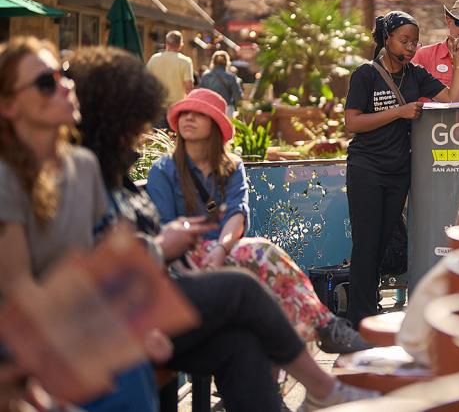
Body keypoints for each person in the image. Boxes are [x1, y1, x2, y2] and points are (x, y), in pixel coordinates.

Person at [67, 46, 378, 411]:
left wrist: (214, 247)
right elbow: (102, 258)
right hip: (133, 305)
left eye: (197, 116)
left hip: (170, 281)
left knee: (242, 338)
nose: (180, 123)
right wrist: (165, 250)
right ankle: (324, 374)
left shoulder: (212, 166)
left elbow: (236, 212)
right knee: (245, 281)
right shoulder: (141, 170)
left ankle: (317, 374)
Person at [0, 37, 162, 411]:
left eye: (64, 75)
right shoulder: (6, 175)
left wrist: (139, 322)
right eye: (46, 82)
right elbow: (18, 289)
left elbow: (101, 260)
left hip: (67, 320)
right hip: (17, 328)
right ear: (8, 106)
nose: (65, 87)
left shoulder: (83, 165)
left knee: (134, 363)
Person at [145, 88, 368, 353]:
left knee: (271, 290)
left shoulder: (231, 167)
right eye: (184, 113)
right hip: (182, 260)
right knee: (262, 253)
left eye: (198, 114)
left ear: (215, 124)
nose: (188, 119)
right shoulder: (164, 169)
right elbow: (167, 228)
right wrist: (204, 260)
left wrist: (220, 250)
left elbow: (236, 215)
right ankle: (327, 328)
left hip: (225, 253)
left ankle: (275, 376)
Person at [344, 10, 459, 327]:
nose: (411, 48)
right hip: (366, 168)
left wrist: (457, 62)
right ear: (386, 38)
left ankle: (371, 310)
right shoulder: (365, 75)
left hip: (399, 171)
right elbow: (352, 121)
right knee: (366, 243)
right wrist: (398, 112)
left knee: (384, 242)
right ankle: (361, 318)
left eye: (415, 42)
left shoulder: (416, 75)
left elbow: (455, 99)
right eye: (404, 40)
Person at [146, 30, 194, 126]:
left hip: (157, 105)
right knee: (175, 138)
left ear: (166, 43)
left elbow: (145, 82)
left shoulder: (154, 59)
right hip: (177, 107)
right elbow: (188, 86)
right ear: (180, 45)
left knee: (158, 138)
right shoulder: (185, 61)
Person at [199, 50, 243, 116]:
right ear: (227, 63)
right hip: (226, 108)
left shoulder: (205, 76)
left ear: (213, 62)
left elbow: (201, 94)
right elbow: (237, 97)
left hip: (210, 108)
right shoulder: (231, 77)